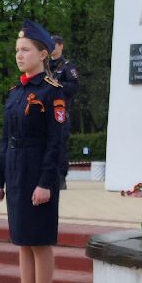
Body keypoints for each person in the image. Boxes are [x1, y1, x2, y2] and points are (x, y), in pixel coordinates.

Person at [0, 20, 70, 283]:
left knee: (39, 243)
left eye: (25, 50)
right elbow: (5, 138)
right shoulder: (16, 93)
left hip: (38, 174)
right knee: (23, 243)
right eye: (16, 50)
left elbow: (57, 142)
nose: (19, 55)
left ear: (42, 54)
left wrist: (46, 183)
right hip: (15, 173)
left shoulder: (53, 94)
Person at [49, 36, 80, 189]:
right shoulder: (43, 65)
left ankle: (61, 177)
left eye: (53, 45)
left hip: (60, 112)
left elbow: (74, 87)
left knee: (59, 145)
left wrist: (58, 84)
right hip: (43, 112)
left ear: (61, 46)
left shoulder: (68, 67)